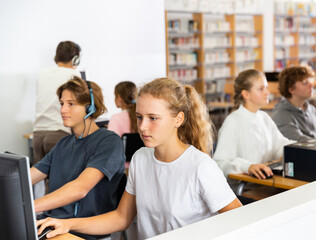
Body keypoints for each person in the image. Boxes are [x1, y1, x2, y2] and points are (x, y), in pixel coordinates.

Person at [37, 77, 242, 240]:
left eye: (153, 118)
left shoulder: (200, 166)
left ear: (178, 119)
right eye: (139, 117)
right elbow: (121, 218)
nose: (142, 127)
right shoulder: (140, 158)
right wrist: (68, 224)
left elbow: (240, 222)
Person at [31, 76, 125, 240]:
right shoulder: (63, 144)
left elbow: (80, 189)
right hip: (51, 225)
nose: (63, 110)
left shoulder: (109, 142)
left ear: (90, 107)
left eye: (71, 104)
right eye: (62, 104)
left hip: (84, 233)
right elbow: (29, 177)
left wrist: (29, 207)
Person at [213, 69, 294, 187]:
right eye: (261, 89)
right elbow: (220, 163)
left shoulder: (264, 117)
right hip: (245, 188)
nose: (267, 92)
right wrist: (247, 167)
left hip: (265, 183)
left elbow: (279, 145)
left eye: (266, 88)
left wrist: (300, 149)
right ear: (246, 94)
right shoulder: (233, 121)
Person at [32, 41, 82, 198]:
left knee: (38, 182)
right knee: (58, 183)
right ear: (75, 59)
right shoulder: (74, 75)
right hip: (58, 133)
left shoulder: (42, 73)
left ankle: (38, 218)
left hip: (38, 134)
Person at [272, 66, 316, 141]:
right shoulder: (281, 115)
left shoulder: (312, 109)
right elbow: (301, 142)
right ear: (291, 89)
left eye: (310, 81)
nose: (311, 85)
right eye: (305, 83)